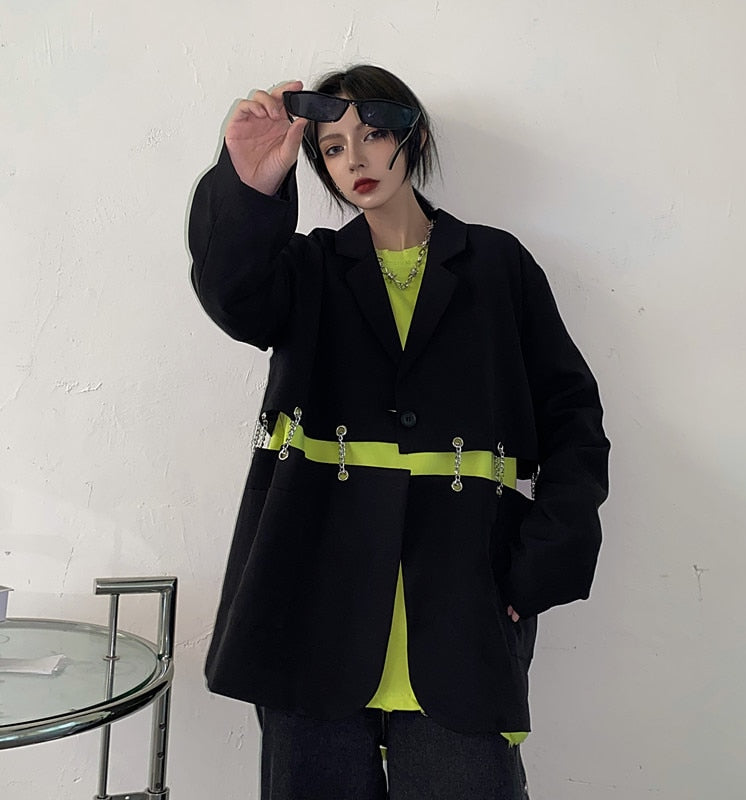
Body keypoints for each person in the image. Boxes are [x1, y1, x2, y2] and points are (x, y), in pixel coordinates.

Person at [188, 64, 610, 800]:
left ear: (410, 136)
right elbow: (233, 295)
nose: (354, 158)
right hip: (313, 606)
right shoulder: (310, 270)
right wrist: (249, 186)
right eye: (332, 146)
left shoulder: (497, 265)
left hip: (460, 611)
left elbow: (573, 418)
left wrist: (545, 559)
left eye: (373, 134)